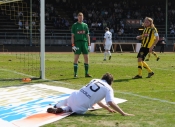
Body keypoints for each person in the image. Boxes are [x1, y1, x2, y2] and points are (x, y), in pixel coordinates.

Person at [47, 73, 134, 116]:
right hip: (81, 107)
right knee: (74, 108)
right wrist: (123, 113)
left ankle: (57, 105)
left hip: (74, 96)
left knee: (71, 100)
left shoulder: (94, 80)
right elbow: (111, 102)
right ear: (110, 82)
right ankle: (63, 109)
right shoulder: (108, 88)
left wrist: (107, 108)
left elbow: (98, 100)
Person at [71, 12, 91, 78]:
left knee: (86, 58)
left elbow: (87, 35)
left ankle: (86, 73)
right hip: (78, 43)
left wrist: (89, 44)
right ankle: (75, 73)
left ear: (83, 18)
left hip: (84, 42)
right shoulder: (74, 25)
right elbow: (72, 36)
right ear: (77, 17)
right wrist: (73, 45)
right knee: (76, 57)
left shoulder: (85, 25)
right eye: (79, 17)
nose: (80, 18)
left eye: (81, 17)